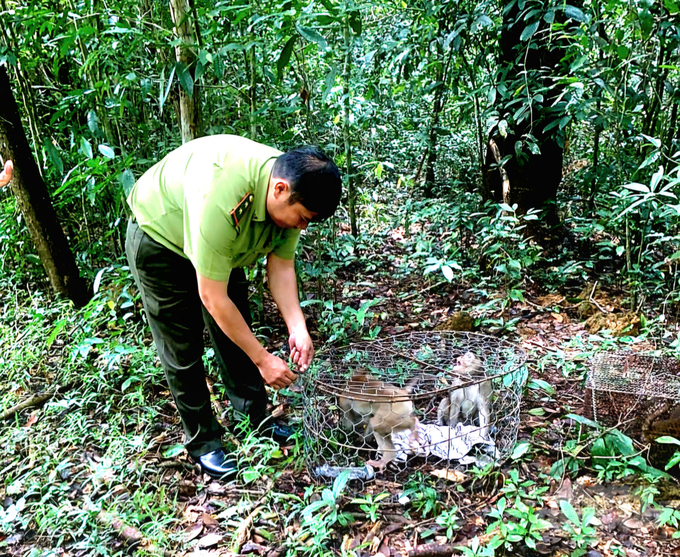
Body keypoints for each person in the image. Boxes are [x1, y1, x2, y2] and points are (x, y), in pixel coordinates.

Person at [125, 134, 342, 480]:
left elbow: (282, 266)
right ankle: (204, 442)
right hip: (161, 239)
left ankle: (253, 418)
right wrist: (264, 359)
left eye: (309, 221)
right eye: (302, 218)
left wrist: (297, 326)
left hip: (219, 246)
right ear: (280, 190)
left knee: (236, 330)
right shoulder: (223, 196)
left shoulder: (294, 190)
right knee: (183, 348)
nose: (303, 226)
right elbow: (212, 297)